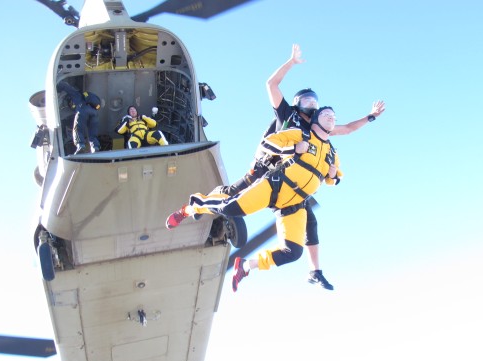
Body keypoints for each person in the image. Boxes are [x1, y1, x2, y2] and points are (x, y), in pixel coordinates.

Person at [216, 44, 385, 290]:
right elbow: (271, 85)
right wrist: (291, 63)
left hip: (291, 182)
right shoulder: (288, 114)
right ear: (297, 103)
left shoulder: (317, 128)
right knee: (236, 193)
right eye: (307, 100)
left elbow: (347, 128)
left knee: (310, 224)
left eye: (315, 101)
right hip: (267, 168)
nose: (312, 105)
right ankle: (207, 208)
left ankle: (314, 271)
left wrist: (370, 117)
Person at [165, 106, 342, 293]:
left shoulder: (332, 154)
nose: (331, 117)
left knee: (293, 252)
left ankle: (246, 266)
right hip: (276, 185)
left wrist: (333, 176)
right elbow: (268, 144)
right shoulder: (301, 135)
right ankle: (191, 208)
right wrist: (294, 149)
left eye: (333, 115)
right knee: (230, 208)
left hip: (294, 204)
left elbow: (334, 180)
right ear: (315, 119)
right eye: (326, 114)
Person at [57, 80, 102, 154]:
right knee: (93, 133)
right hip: (94, 113)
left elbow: (66, 86)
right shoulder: (87, 100)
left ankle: (80, 146)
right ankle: (95, 147)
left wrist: (57, 86)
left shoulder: (76, 95)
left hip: (83, 110)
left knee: (78, 129)